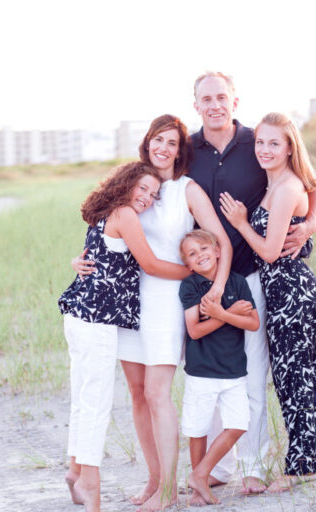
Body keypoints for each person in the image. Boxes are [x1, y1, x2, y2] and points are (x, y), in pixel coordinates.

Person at [72, 114, 232, 511]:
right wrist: (81, 261)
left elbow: (222, 243)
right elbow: (107, 235)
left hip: (166, 301)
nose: (164, 148)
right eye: (158, 140)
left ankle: (168, 493)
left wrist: (213, 287)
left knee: (159, 394)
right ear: (148, 143)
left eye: (172, 143)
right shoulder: (137, 187)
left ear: (181, 150)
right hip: (128, 301)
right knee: (138, 394)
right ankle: (154, 479)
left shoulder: (186, 190)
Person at [188, 71, 316, 493]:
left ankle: (257, 465)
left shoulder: (257, 141)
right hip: (212, 283)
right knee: (213, 377)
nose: (214, 104)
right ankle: (221, 467)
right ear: (195, 104)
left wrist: (311, 225)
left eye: (221, 97)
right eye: (205, 98)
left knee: (261, 376)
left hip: (257, 279)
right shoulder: (186, 149)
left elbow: (315, 185)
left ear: (234, 101)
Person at [58, 161, 191, 512]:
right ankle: (91, 489)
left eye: (153, 193)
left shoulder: (104, 212)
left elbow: (97, 258)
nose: (147, 197)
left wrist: (76, 262)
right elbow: (150, 265)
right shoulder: (126, 216)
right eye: (142, 189)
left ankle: (75, 471)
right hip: (96, 320)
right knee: (96, 403)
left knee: (82, 396)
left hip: (78, 316)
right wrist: (195, 272)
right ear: (126, 184)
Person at [219, 112, 316, 492]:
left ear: (289, 147)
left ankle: (303, 468)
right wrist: (312, 221)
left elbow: (268, 252)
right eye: (260, 142)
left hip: (291, 292)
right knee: (288, 378)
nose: (264, 149)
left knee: (299, 379)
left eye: (273, 143)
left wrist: (242, 222)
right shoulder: (278, 182)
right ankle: (303, 460)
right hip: (278, 292)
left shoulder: (285, 189)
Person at [177, 229, 260, 506]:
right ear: (188, 265)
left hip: (234, 370)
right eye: (192, 254)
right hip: (201, 371)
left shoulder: (237, 282)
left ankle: (199, 473)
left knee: (238, 425)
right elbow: (195, 330)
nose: (199, 255)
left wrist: (222, 313)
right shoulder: (190, 286)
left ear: (218, 252)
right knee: (197, 428)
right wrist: (231, 314)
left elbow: (254, 323)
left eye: (203, 249)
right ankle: (199, 489)